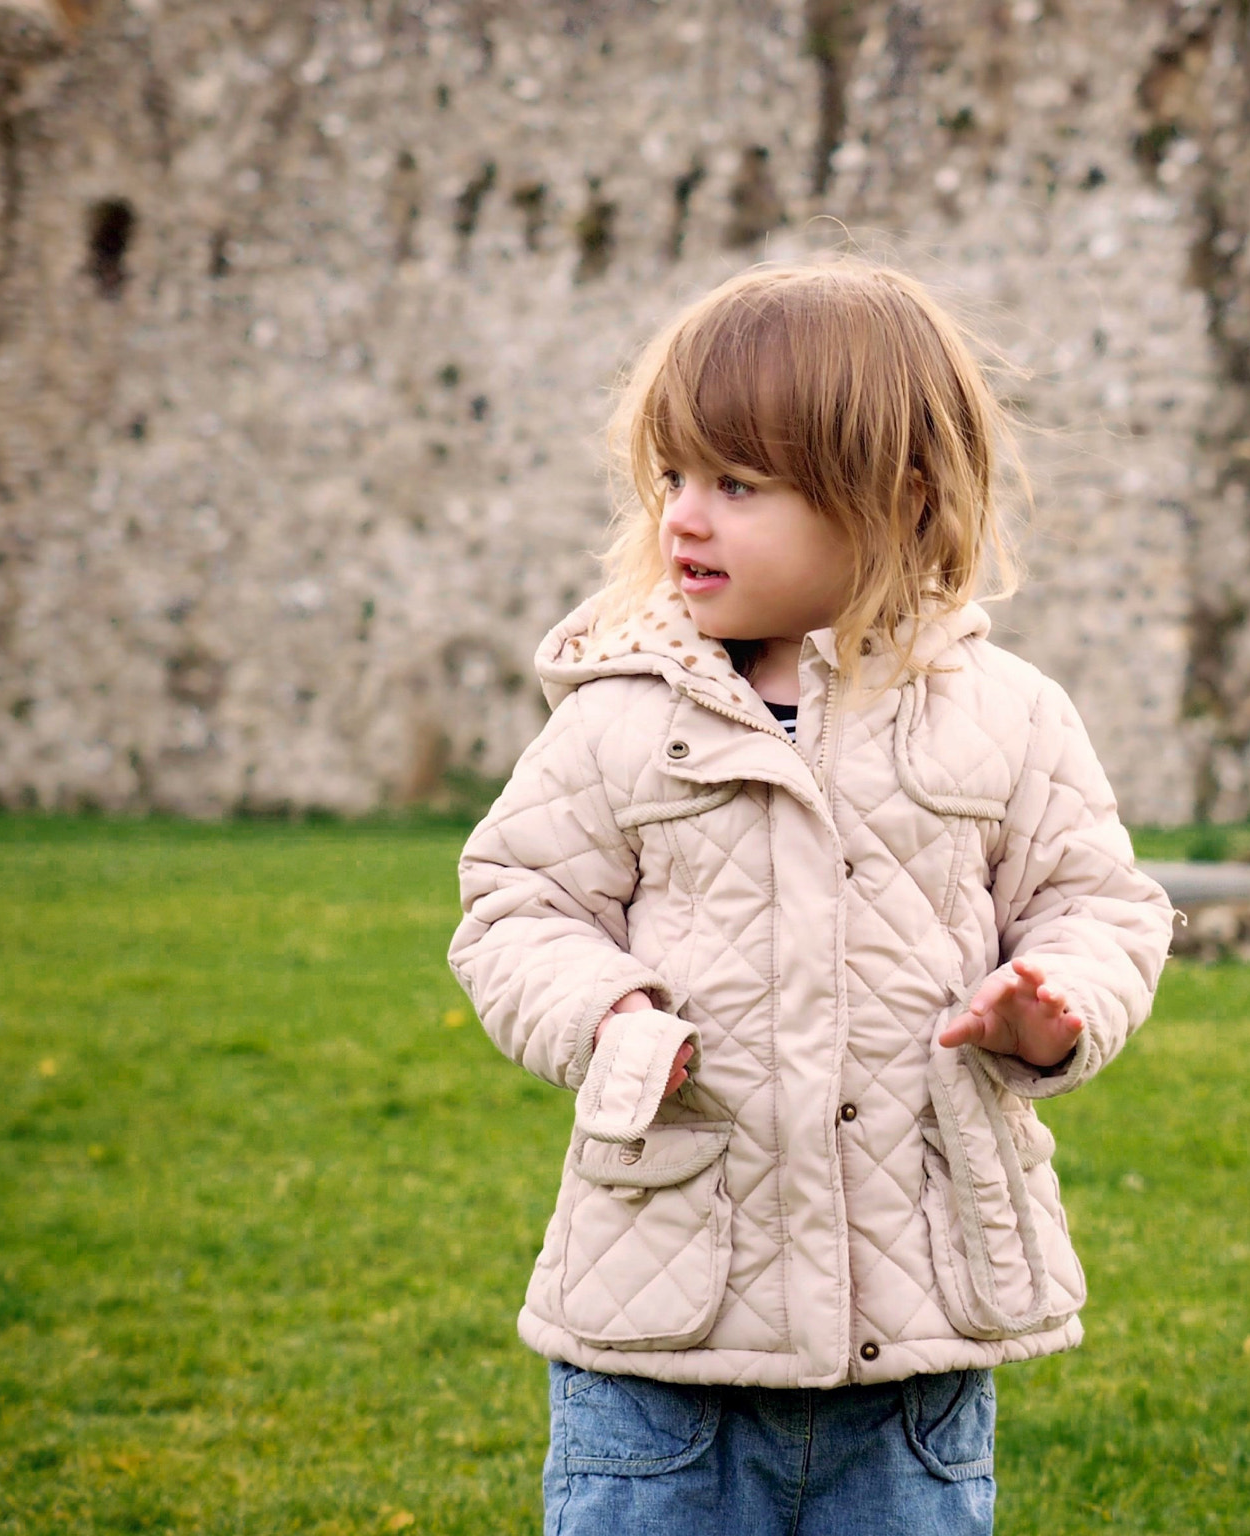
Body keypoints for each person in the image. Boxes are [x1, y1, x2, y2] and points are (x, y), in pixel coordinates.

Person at [447, 257, 1176, 1536]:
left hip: (914, 1352)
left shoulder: (1004, 718)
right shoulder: (624, 717)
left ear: (891, 495)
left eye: (736, 484)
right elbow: (513, 905)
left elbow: (1098, 903)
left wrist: (1054, 1006)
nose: (684, 517)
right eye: (672, 477)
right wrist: (611, 1018)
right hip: (662, 1331)